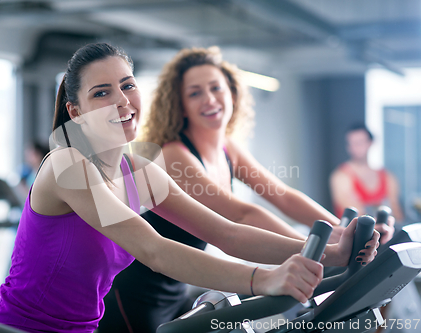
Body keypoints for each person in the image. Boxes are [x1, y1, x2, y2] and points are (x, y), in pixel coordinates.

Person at [0, 43, 378, 333]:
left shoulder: (137, 167)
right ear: (76, 111)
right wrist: (264, 279)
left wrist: (332, 252)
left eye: (127, 85)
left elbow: (228, 232)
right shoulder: (67, 164)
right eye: (101, 93)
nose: (122, 101)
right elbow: (154, 249)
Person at [99, 46, 391, 333]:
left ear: (232, 92)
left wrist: (340, 229)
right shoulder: (176, 156)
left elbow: (283, 196)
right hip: (137, 292)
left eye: (216, 88)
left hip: (176, 285)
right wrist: (325, 252)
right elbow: (241, 215)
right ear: (180, 105)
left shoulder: (228, 149)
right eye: (195, 93)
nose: (209, 99)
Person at [330, 124, 403, 221]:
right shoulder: (340, 176)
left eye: (359, 142)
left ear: (370, 143)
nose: (355, 147)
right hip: (352, 235)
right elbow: (355, 213)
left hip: (385, 234)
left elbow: (397, 214)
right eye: (351, 143)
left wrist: (367, 207)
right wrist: (382, 206)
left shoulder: (387, 177)